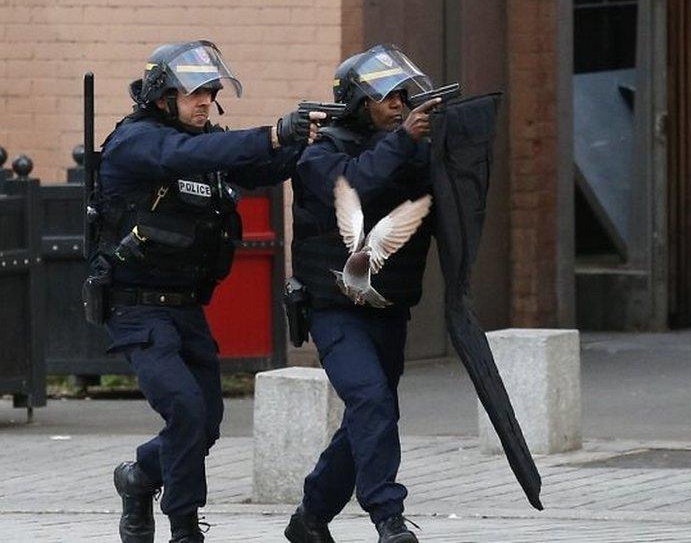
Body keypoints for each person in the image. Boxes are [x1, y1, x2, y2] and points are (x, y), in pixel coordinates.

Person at [93, 40, 320, 543]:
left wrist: (309, 138)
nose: (205, 102)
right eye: (194, 93)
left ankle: (139, 478)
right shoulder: (137, 142)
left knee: (206, 423)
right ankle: (184, 528)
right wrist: (269, 133)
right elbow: (186, 154)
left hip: (186, 308)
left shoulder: (204, 143)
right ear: (161, 97)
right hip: (135, 308)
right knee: (186, 410)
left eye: (211, 93)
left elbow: (261, 167)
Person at [284, 44, 441, 543]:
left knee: (372, 414)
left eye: (403, 95)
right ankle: (388, 519)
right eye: (386, 97)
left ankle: (310, 519)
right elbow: (355, 185)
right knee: (371, 401)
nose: (399, 105)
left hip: (387, 307)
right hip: (335, 309)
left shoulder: (404, 146)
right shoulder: (319, 152)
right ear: (356, 102)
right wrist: (405, 143)